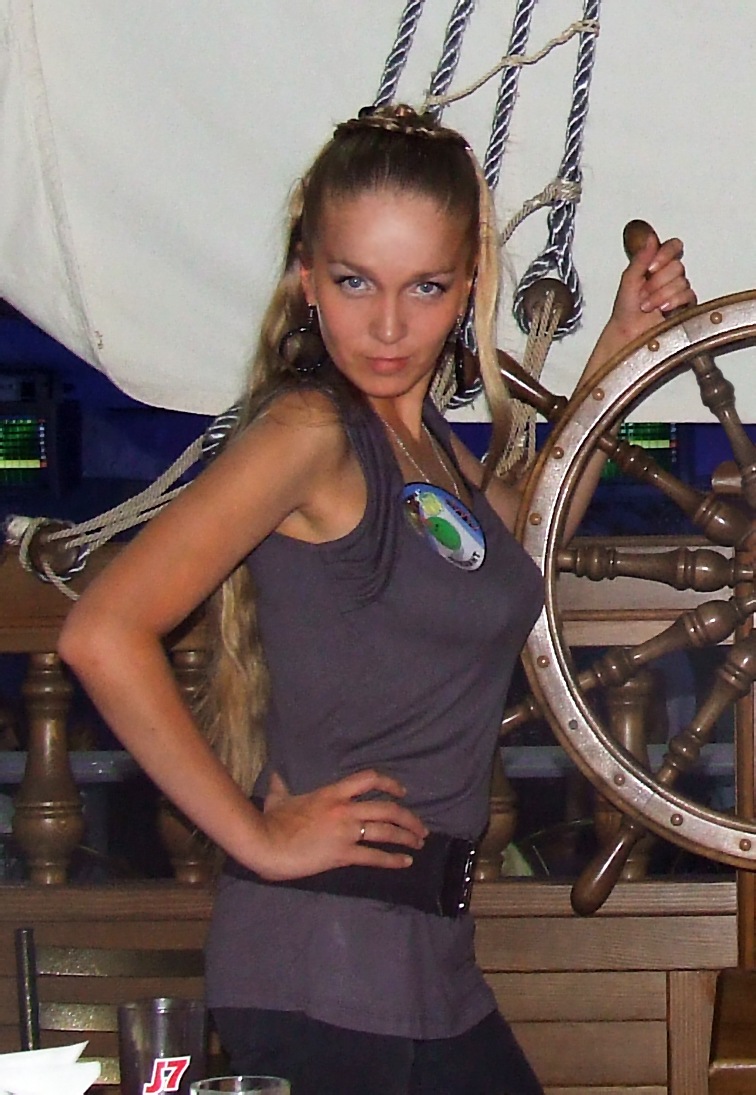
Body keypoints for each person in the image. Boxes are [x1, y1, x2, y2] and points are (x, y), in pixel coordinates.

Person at [58, 104, 695, 1094]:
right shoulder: (309, 433)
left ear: (468, 285)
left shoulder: (422, 443)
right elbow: (102, 632)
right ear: (306, 278)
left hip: (426, 970)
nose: (389, 326)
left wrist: (617, 346)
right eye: (356, 281)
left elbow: (520, 543)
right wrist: (256, 834)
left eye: (425, 286)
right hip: (323, 968)